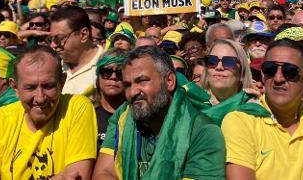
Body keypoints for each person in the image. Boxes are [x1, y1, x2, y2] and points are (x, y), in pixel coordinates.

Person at [222, 39, 303, 179]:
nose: (278, 78)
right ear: (263, 75)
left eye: (290, 71)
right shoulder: (241, 120)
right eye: (270, 69)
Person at [94, 46, 226, 179]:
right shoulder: (123, 115)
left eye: (142, 81)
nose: (133, 92)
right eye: (128, 85)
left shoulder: (203, 132)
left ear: (169, 81)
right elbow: (103, 173)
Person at [0, 46, 97, 180]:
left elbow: (77, 174)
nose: (40, 98)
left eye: (48, 86)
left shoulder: (76, 108)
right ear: (15, 87)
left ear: (62, 81)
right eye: (30, 88)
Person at [49, 6, 103, 96]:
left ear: (83, 35)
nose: (53, 45)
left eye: (59, 38)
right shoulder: (53, 65)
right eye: (51, 39)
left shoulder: (108, 68)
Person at [94, 48, 127, 149]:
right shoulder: (87, 113)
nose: (113, 77)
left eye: (120, 73)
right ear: (98, 77)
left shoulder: (136, 115)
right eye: (106, 72)